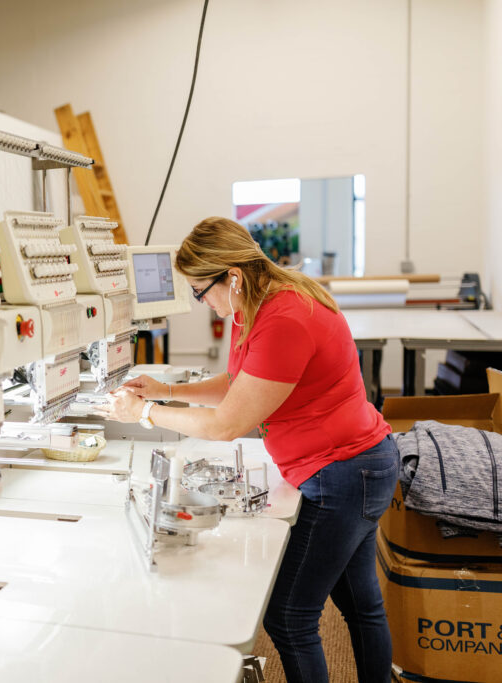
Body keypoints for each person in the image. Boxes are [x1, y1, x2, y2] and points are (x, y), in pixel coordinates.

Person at [97, 217, 399, 683]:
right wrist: (167, 391)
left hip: (342, 472)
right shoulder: (264, 303)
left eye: (202, 291)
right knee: (361, 603)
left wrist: (143, 413)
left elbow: (228, 424)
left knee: (289, 615)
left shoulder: (285, 318)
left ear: (232, 276)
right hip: (361, 463)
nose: (202, 303)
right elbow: (243, 386)